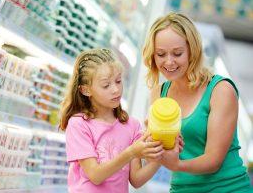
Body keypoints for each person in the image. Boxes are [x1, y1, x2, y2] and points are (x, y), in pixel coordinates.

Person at [143, 12, 252, 192]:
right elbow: (159, 153)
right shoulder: (158, 93)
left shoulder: (220, 90)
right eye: (161, 54)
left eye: (177, 53)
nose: (169, 62)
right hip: (182, 188)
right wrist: (150, 144)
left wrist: (176, 164)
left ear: (192, 51)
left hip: (227, 188)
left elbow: (213, 160)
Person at [59, 48, 164, 193]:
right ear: (85, 90)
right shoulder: (79, 124)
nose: (116, 89)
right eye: (106, 85)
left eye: (118, 81)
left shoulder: (132, 126)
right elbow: (95, 175)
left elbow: (136, 180)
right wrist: (132, 152)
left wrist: (161, 155)